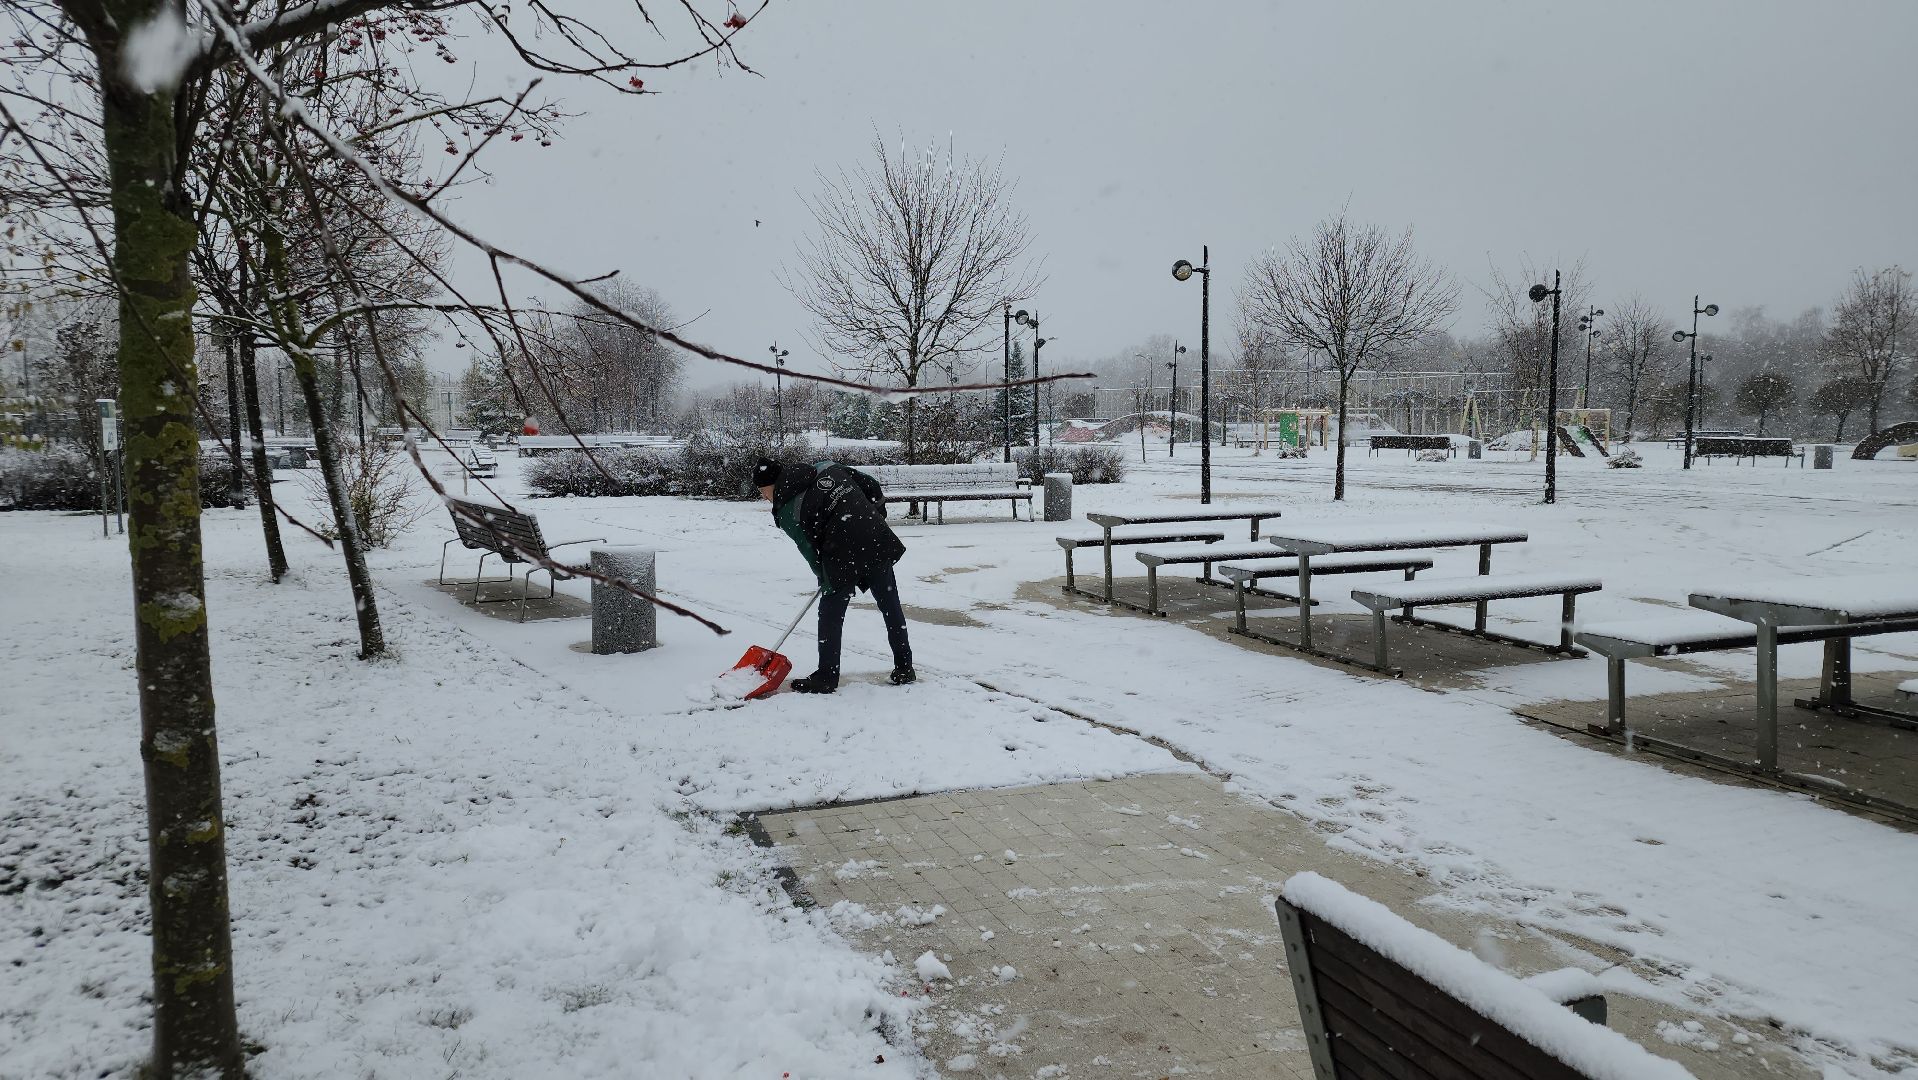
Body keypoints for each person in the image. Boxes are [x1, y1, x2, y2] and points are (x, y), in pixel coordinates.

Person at [755, 458, 914, 693]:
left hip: (841, 552)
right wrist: (875, 516)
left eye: (762, 491)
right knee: (889, 603)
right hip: (874, 538)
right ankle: (905, 666)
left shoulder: (788, 508)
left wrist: (824, 576)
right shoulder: (827, 467)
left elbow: (808, 548)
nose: (763, 496)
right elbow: (870, 484)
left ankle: (826, 677)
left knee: (830, 613)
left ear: (773, 484)